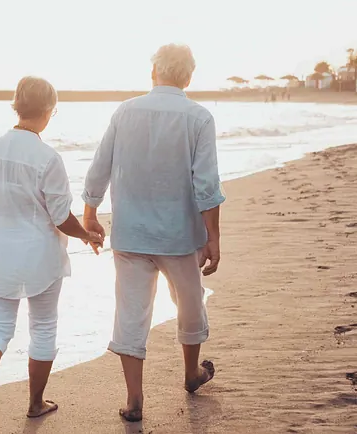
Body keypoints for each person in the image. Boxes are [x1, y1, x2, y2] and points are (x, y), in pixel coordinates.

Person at [81, 44, 225, 422]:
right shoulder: (199, 118)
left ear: (153, 73)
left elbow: (100, 166)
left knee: (130, 313)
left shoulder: (125, 111)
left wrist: (90, 212)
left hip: (130, 233)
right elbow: (206, 183)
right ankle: (192, 373)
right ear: (189, 77)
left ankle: (134, 399)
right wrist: (214, 236)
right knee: (190, 303)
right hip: (179, 236)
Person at [0, 76, 104, 434]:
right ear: (47, 111)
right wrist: (86, 233)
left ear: (17, 105)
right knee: (43, 327)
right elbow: (59, 216)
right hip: (39, 254)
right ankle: (34, 403)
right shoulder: (48, 157)